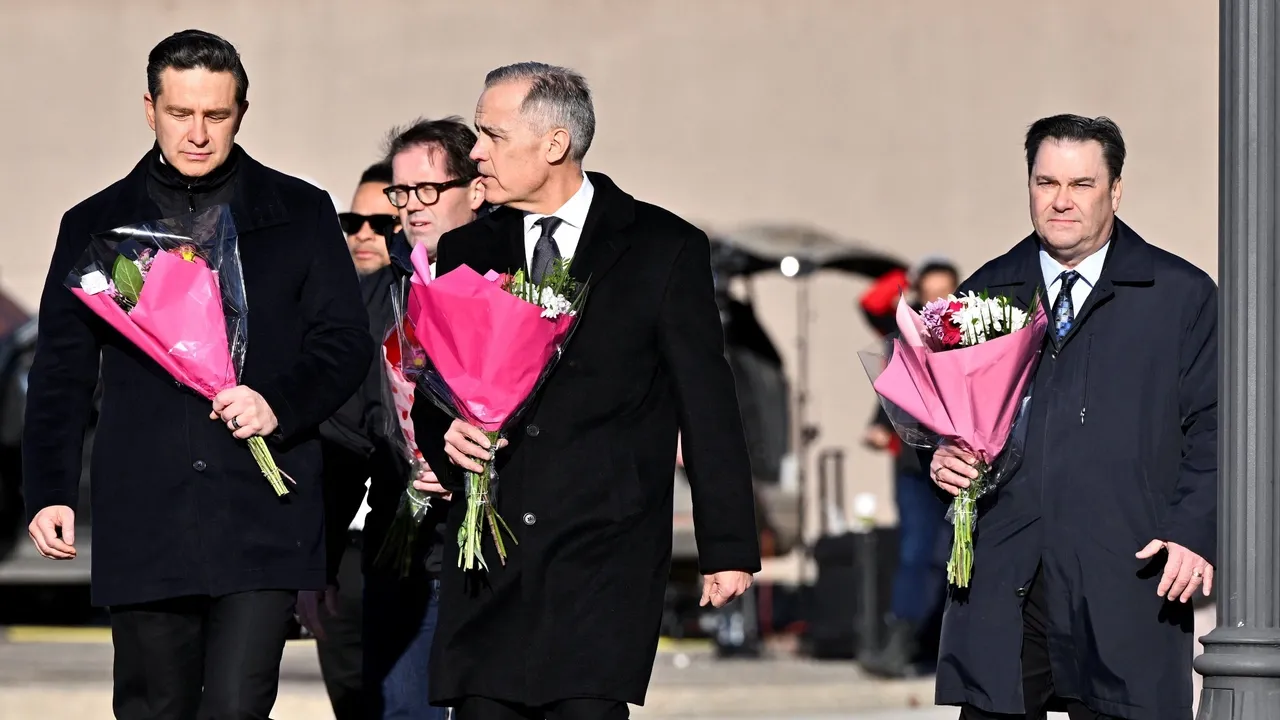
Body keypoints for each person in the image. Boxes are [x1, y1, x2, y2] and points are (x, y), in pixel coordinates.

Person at [21, 29, 372, 719]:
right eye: (182, 113)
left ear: (242, 111)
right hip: (145, 510)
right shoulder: (96, 224)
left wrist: (280, 405)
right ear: (149, 110)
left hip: (265, 506)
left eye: (217, 114)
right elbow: (61, 372)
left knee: (239, 706)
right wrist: (49, 490)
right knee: (156, 707)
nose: (199, 132)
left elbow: (343, 341)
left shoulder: (300, 212)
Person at [415, 63, 762, 720]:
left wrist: (729, 547)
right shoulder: (465, 247)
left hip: (606, 558)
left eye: (490, 134)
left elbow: (708, 405)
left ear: (553, 144)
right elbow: (436, 388)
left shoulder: (664, 247)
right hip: (490, 554)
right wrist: (446, 434)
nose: (476, 152)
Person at [929, 114, 1217, 719]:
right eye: (1045, 183)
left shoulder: (1179, 295)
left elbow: (1217, 428)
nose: (1061, 202)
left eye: (1081, 184)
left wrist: (1194, 531)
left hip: (1129, 573)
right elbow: (945, 414)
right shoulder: (987, 292)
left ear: (1115, 190)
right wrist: (938, 454)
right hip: (1008, 576)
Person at [300, 118, 485, 720]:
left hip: (505, 562)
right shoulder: (373, 298)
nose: (410, 207)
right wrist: (318, 562)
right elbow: (341, 439)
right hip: (406, 559)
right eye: (402, 193)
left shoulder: (520, 286)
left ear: (475, 188)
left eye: (428, 189)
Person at [309, 160, 400, 720]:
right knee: (353, 700)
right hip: (345, 541)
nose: (364, 234)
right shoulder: (325, 312)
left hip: (411, 537)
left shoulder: (425, 304)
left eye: (381, 222)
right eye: (352, 220)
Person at [859, 257, 959, 678]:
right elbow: (897, 392)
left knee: (950, 555)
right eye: (929, 291)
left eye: (945, 291)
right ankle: (899, 642)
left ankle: (939, 643)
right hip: (914, 467)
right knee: (916, 552)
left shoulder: (968, 335)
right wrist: (879, 427)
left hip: (958, 463)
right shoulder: (904, 334)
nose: (937, 299)